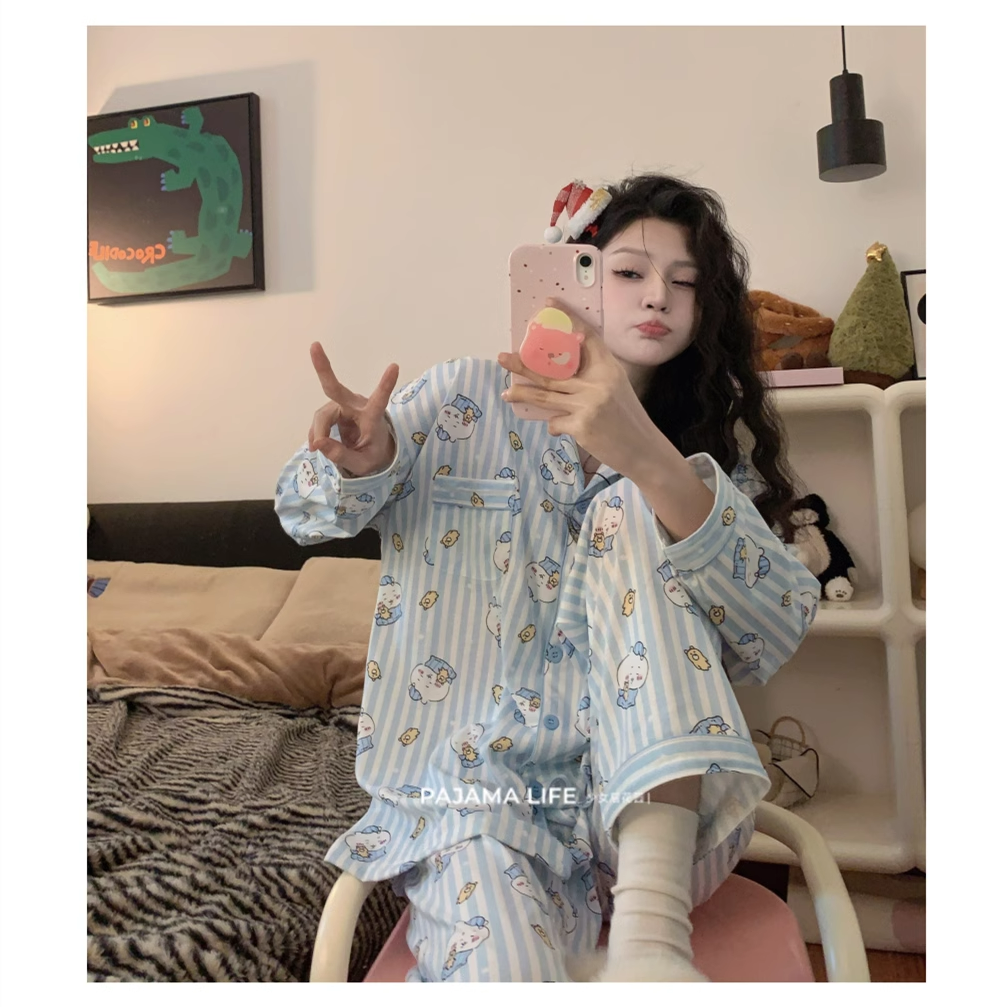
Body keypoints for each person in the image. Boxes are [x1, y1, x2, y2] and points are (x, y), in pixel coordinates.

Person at [275, 174, 821, 982]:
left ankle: (650, 942)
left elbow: (780, 618)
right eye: (629, 272)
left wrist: (649, 461)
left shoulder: (703, 456)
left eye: (686, 282)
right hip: (479, 808)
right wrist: (366, 460)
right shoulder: (463, 400)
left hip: (659, 828)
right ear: (573, 277)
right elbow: (303, 511)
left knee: (631, 507)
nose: (658, 296)